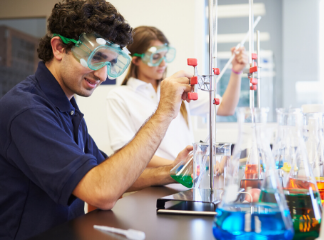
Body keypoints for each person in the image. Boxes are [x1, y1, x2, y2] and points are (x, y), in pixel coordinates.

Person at [0, 1, 194, 239]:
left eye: (111, 63)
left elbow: (106, 172)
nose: (102, 74)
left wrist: (172, 172)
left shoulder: (67, 107)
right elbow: (102, 190)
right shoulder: (26, 110)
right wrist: (164, 112)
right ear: (59, 47)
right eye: (96, 58)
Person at [107, 26, 248, 167]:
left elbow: (225, 108)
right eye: (155, 57)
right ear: (135, 60)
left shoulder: (176, 89)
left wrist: (236, 72)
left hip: (187, 182)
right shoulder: (120, 97)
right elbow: (124, 153)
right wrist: (181, 166)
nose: (163, 63)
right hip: (155, 185)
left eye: (165, 56)